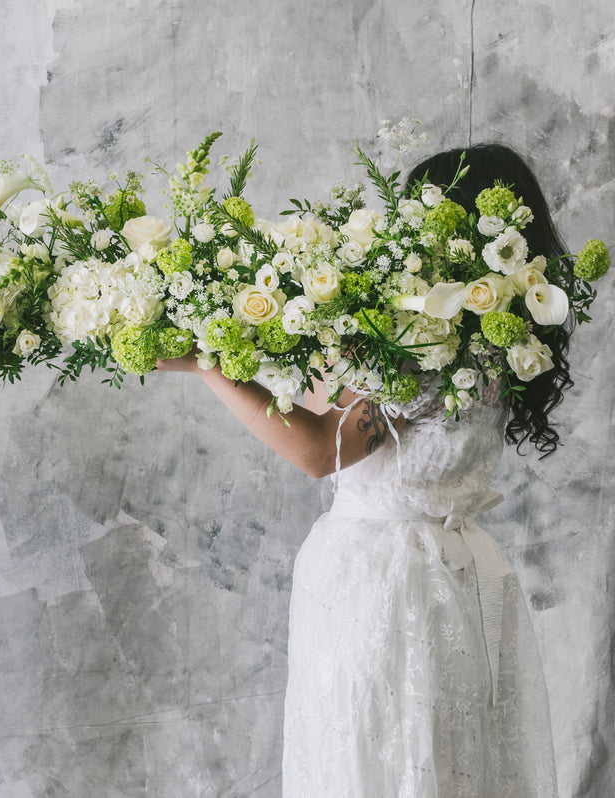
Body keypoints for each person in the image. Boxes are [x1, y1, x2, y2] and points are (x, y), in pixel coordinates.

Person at [156, 144, 563, 797]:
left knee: (377, 757)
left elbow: (322, 450)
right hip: (457, 576)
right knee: (443, 758)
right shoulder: (498, 334)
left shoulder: (423, 338)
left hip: (386, 581)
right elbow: (340, 412)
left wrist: (209, 365)